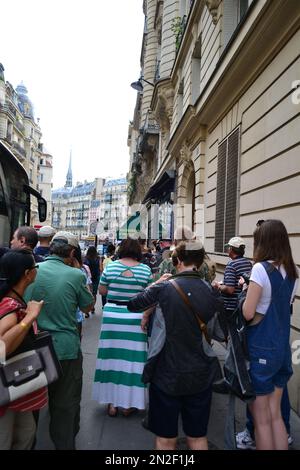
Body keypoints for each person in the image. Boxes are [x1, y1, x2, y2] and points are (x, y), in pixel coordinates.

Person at [126, 241, 222, 450]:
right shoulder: (212, 290)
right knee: (197, 437)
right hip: (200, 373)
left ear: (177, 262)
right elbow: (216, 331)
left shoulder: (163, 288)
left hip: (166, 373)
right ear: (200, 262)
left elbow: (133, 304)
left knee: (165, 439)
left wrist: (155, 283)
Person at [25, 231, 94, 450]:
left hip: (33, 345)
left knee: (30, 405)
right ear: (72, 253)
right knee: (65, 404)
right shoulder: (76, 275)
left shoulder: (33, 270)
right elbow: (88, 306)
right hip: (65, 348)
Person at [241, 219, 298, 450]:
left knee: (261, 419)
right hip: (282, 349)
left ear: (262, 242)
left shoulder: (260, 269)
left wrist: (246, 292)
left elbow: (247, 313)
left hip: (261, 349)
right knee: (275, 416)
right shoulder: (293, 272)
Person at [92, 237, 153, 417]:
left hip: (112, 317)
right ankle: (128, 405)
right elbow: (150, 296)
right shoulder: (144, 269)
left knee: (111, 358)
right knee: (133, 361)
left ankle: (112, 404)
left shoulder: (111, 267)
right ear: (137, 252)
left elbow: (102, 291)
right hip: (135, 317)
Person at [0, 249, 46, 450]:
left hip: (16, 387)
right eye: (35, 266)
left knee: (25, 434)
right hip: (7, 389)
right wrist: (30, 317)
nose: (37, 269)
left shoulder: (13, 299)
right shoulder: (11, 305)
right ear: (28, 274)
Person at [213, 236, 252, 317]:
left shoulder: (231, 264)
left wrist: (218, 286)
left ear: (231, 249)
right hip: (242, 304)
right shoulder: (248, 262)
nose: (227, 250)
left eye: (228, 247)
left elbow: (230, 289)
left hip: (230, 307)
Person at [84, 246, 101, 313]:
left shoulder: (86, 258)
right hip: (96, 277)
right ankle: (92, 307)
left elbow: (85, 268)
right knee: (94, 293)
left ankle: (86, 311)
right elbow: (100, 268)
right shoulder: (98, 258)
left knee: (87, 293)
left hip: (88, 278)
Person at [100, 243, 116, 308]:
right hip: (113, 276)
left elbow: (100, 268)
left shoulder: (103, 257)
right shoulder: (115, 258)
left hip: (104, 275)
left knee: (103, 292)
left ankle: (104, 305)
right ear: (113, 250)